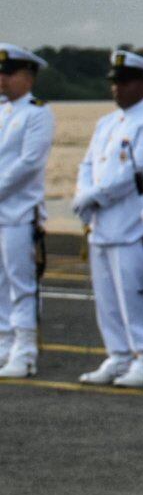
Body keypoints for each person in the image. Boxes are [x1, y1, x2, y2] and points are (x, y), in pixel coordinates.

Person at [72, 50, 143, 387]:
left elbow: (133, 173)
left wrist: (95, 195)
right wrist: (82, 194)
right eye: (114, 82)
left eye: (125, 82)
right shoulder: (106, 123)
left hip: (134, 227)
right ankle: (118, 356)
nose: (117, 88)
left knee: (137, 298)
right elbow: (87, 165)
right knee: (108, 300)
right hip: (102, 225)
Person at [0, 45, 56, 378]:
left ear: (28, 76)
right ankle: (5, 344)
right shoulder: (2, 111)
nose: (2, 79)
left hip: (19, 212)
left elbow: (28, 163)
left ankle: (25, 351)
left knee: (22, 284)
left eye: (9, 73)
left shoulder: (37, 113)